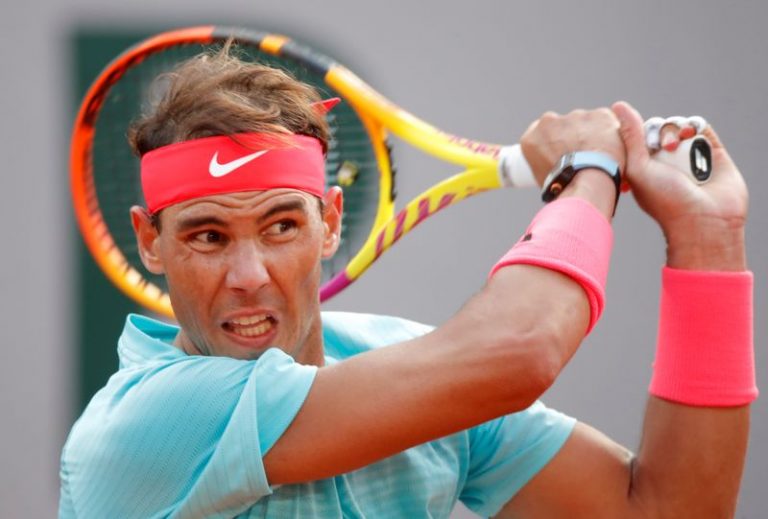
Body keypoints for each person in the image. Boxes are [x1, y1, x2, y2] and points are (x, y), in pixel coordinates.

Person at [59, 45, 756, 518]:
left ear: (331, 222)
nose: (249, 276)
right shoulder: (140, 426)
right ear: (150, 239)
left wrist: (708, 239)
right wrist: (586, 174)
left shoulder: (418, 370)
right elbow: (520, 351)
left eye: (281, 227)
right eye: (207, 236)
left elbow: (669, 509)